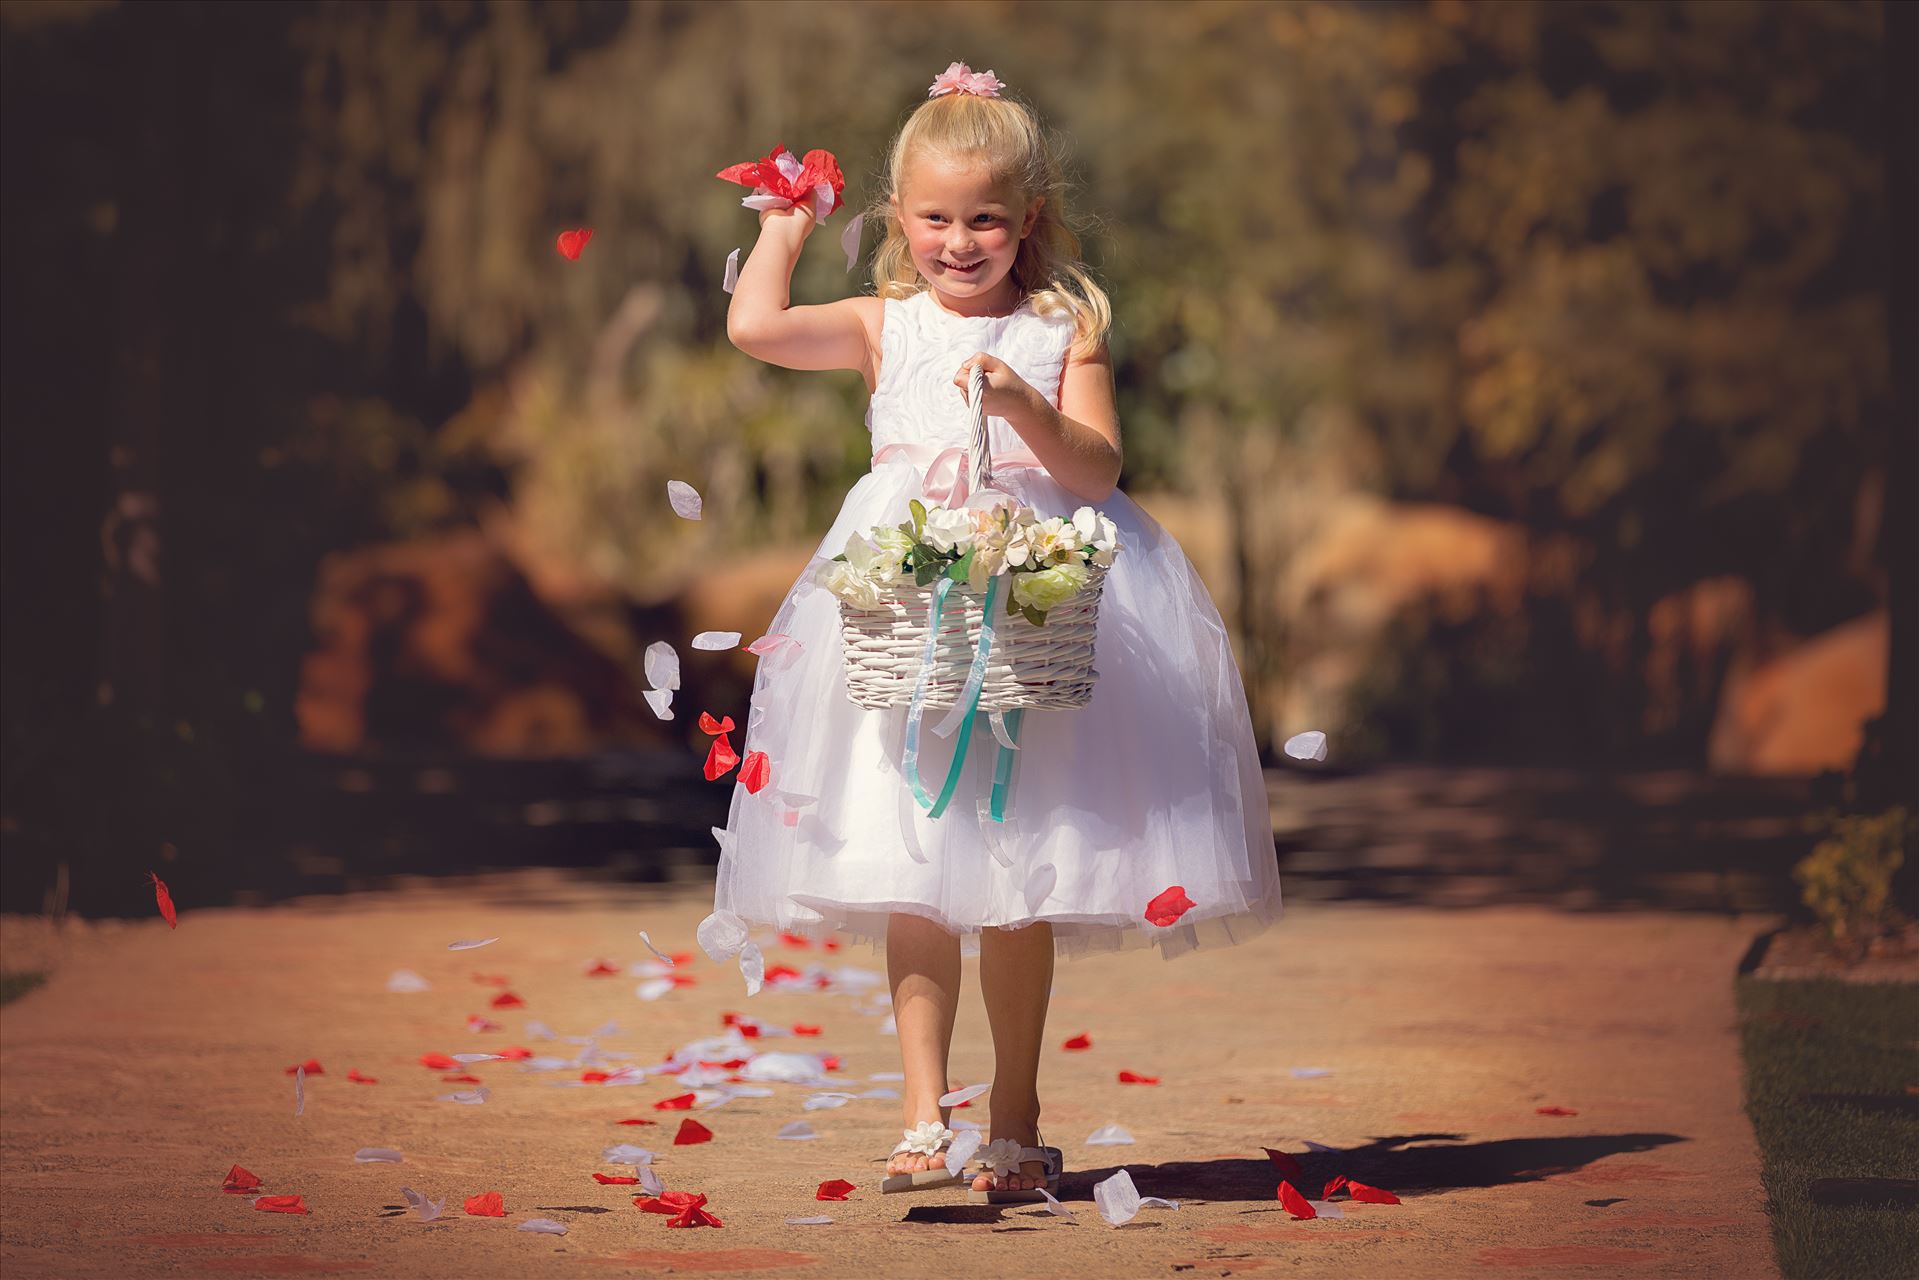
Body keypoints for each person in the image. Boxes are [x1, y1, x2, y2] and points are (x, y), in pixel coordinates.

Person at [706, 60, 1283, 1203]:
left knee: (1019, 871)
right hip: (903, 616)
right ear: (898, 218)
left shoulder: (1061, 327)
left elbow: (1100, 467)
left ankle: (1014, 1114)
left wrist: (1025, 407)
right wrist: (781, 221)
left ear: (1027, 219)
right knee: (910, 864)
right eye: (933, 218)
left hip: (1031, 610)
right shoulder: (886, 324)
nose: (957, 242)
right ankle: (922, 1110)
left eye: (983, 219)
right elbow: (756, 326)